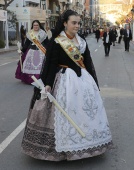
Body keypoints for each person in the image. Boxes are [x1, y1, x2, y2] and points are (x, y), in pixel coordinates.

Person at [21, 10, 112, 161]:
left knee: (85, 112)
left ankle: (88, 143)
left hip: (84, 82)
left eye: (78, 23)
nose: (77, 26)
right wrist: (48, 84)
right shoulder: (57, 41)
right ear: (65, 23)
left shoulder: (81, 40)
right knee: (65, 113)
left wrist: (94, 84)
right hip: (64, 82)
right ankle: (63, 149)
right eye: (73, 23)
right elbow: (50, 64)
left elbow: (88, 63)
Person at [15, 20, 49, 84]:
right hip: (31, 52)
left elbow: (47, 43)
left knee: (41, 66)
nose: (35, 26)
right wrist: (22, 51)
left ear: (39, 26)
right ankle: (30, 79)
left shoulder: (43, 33)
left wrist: (49, 51)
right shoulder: (30, 34)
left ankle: (41, 79)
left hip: (41, 52)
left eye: (37, 25)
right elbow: (26, 44)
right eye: (34, 25)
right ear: (32, 26)